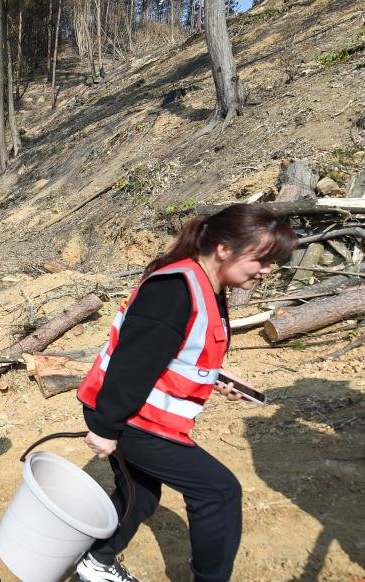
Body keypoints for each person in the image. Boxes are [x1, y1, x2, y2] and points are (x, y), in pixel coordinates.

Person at [75, 204, 297, 582]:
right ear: (224, 248)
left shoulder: (207, 284)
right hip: (129, 419)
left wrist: (213, 376)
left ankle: (96, 562)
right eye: (261, 259)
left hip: (137, 415)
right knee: (218, 492)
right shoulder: (175, 288)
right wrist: (107, 429)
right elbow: (133, 363)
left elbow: (175, 350)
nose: (266, 270)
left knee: (141, 495)